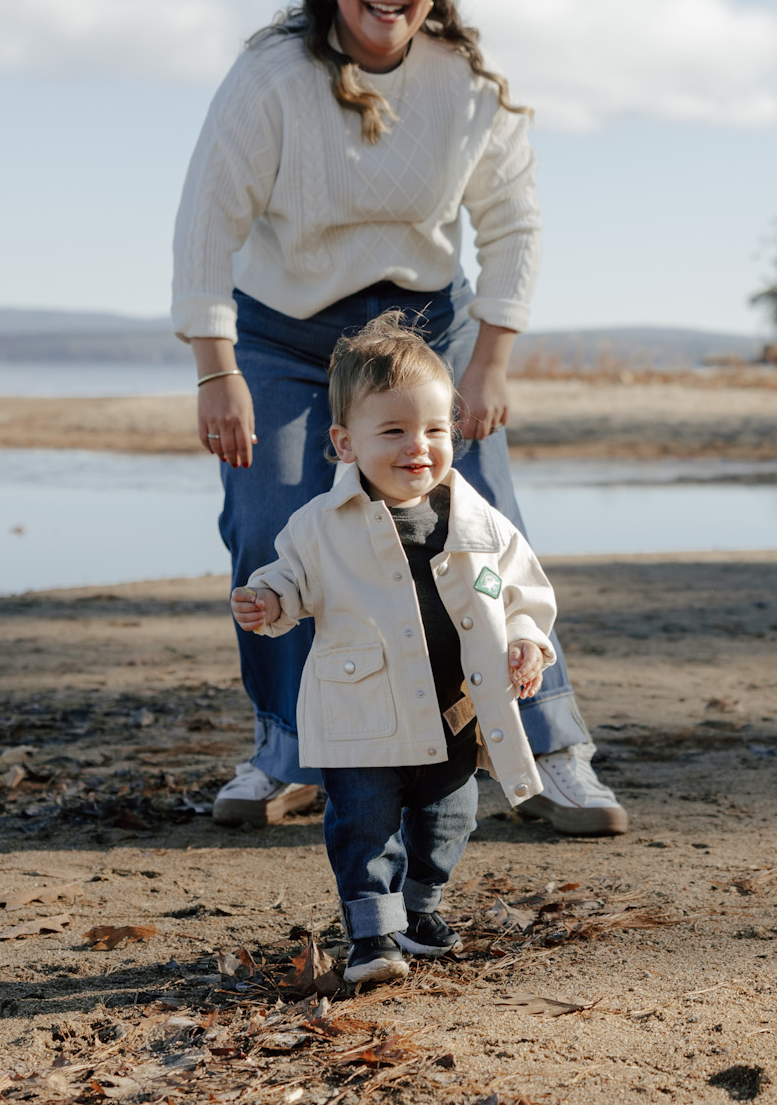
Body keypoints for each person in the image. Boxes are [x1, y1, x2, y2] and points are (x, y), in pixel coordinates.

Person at [171, 0, 625, 836]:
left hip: (426, 325)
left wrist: (490, 362)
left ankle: (550, 744)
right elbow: (208, 223)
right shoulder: (271, 77)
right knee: (269, 524)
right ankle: (283, 749)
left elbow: (514, 226)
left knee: (486, 522)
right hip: (286, 332)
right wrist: (218, 371)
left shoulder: (464, 86)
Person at [232, 313, 552, 984]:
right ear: (346, 443)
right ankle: (373, 937)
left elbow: (521, 591)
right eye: (395, 431)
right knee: (364, 823)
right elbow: (290, 578)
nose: (420, 447)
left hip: (454, 712)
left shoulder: (477, 520)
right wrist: (270, 601)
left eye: (436, 430)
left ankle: (420, 904)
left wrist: (526, 641)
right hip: (363, 714)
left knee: (451, 815)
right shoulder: (320, 526)